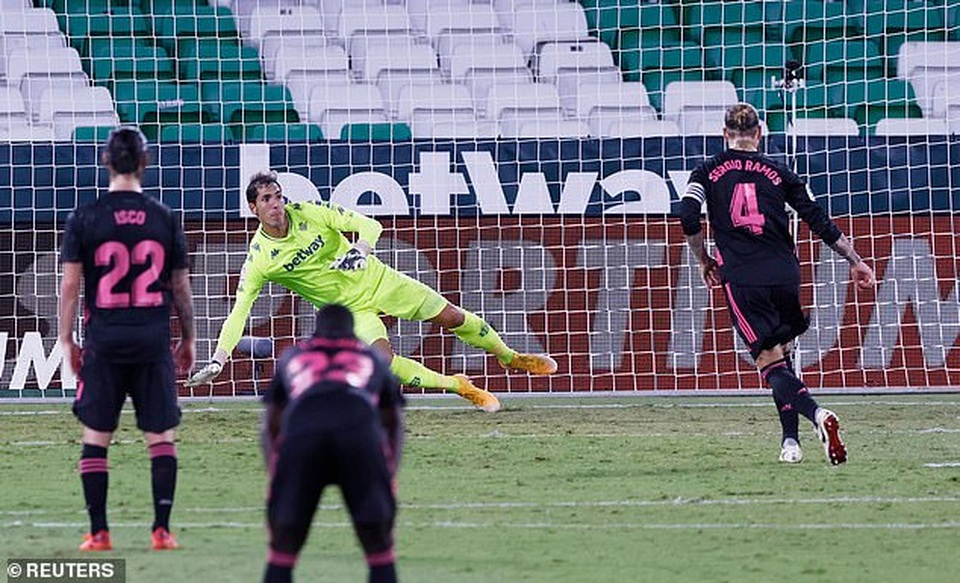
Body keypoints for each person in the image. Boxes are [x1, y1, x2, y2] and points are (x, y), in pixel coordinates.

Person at [186, 171, 558, 412]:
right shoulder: (260, 260)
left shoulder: (310, 212)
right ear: (253, 208)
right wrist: (219, 359)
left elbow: (369, 224)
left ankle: (510, 357)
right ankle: (459, 387)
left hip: (379, 279)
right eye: (266, 199)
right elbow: (239, 312)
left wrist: (359, 249)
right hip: (349, 311)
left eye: (278, 196)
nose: (276, 204)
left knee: (453, 317)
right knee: (382, 363)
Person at [678, 103, 876, 465]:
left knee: (769, 364)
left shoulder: (705, 172)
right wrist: (856, 260)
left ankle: (817, 415)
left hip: (743, 276)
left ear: (725, 135)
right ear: (758, 134)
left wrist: (704, 259)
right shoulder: (779, 171)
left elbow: (687, 213)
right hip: (785, 274)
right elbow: (816, 218)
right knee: (783, 359)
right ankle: (790, 442)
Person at [58, 127, 195, 551]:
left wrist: (67, 340)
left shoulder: (85, 217)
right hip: (152, 339)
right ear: (145, 163)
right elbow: (181, 287)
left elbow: (69, 287)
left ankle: (99, 533)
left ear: (105, 161)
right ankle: (162, 530)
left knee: (97, 436)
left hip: (105, 340)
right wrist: (189, 339)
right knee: (160, 438)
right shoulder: (164, 217)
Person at [262, 304, 404, 583]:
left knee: (284, 545)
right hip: (358, 432)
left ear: (316, 329)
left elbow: (270, 424)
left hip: (302, 433)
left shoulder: (293, 355)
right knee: (378, 545)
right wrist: (389, 474)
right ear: (353, 332)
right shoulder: (372, 358)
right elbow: (394, 423)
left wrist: (275, 474)